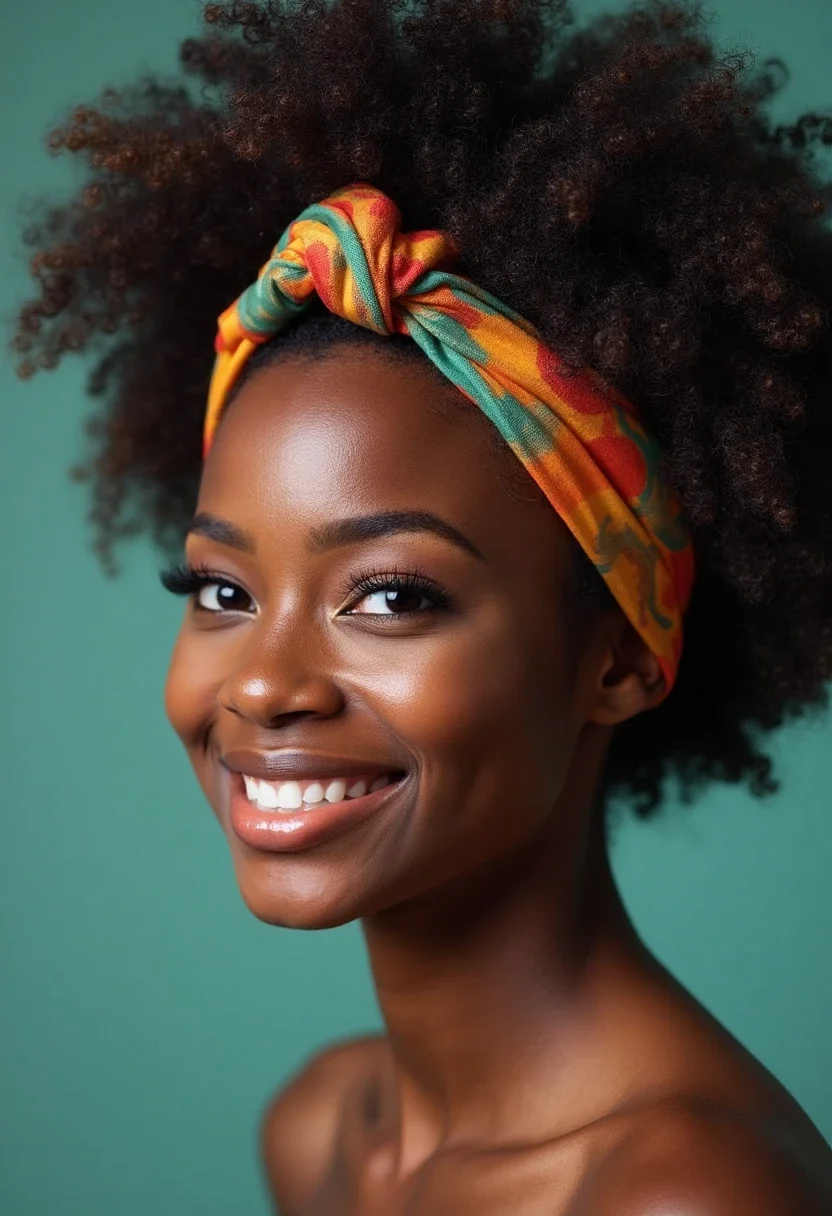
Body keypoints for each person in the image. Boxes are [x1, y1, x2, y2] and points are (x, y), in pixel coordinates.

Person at [11, 0, 832, 1211]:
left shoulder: (686, 1191)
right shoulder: (323, 1134)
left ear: (616, 655)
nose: (263, 683)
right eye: (223, 589)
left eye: (390, 595)